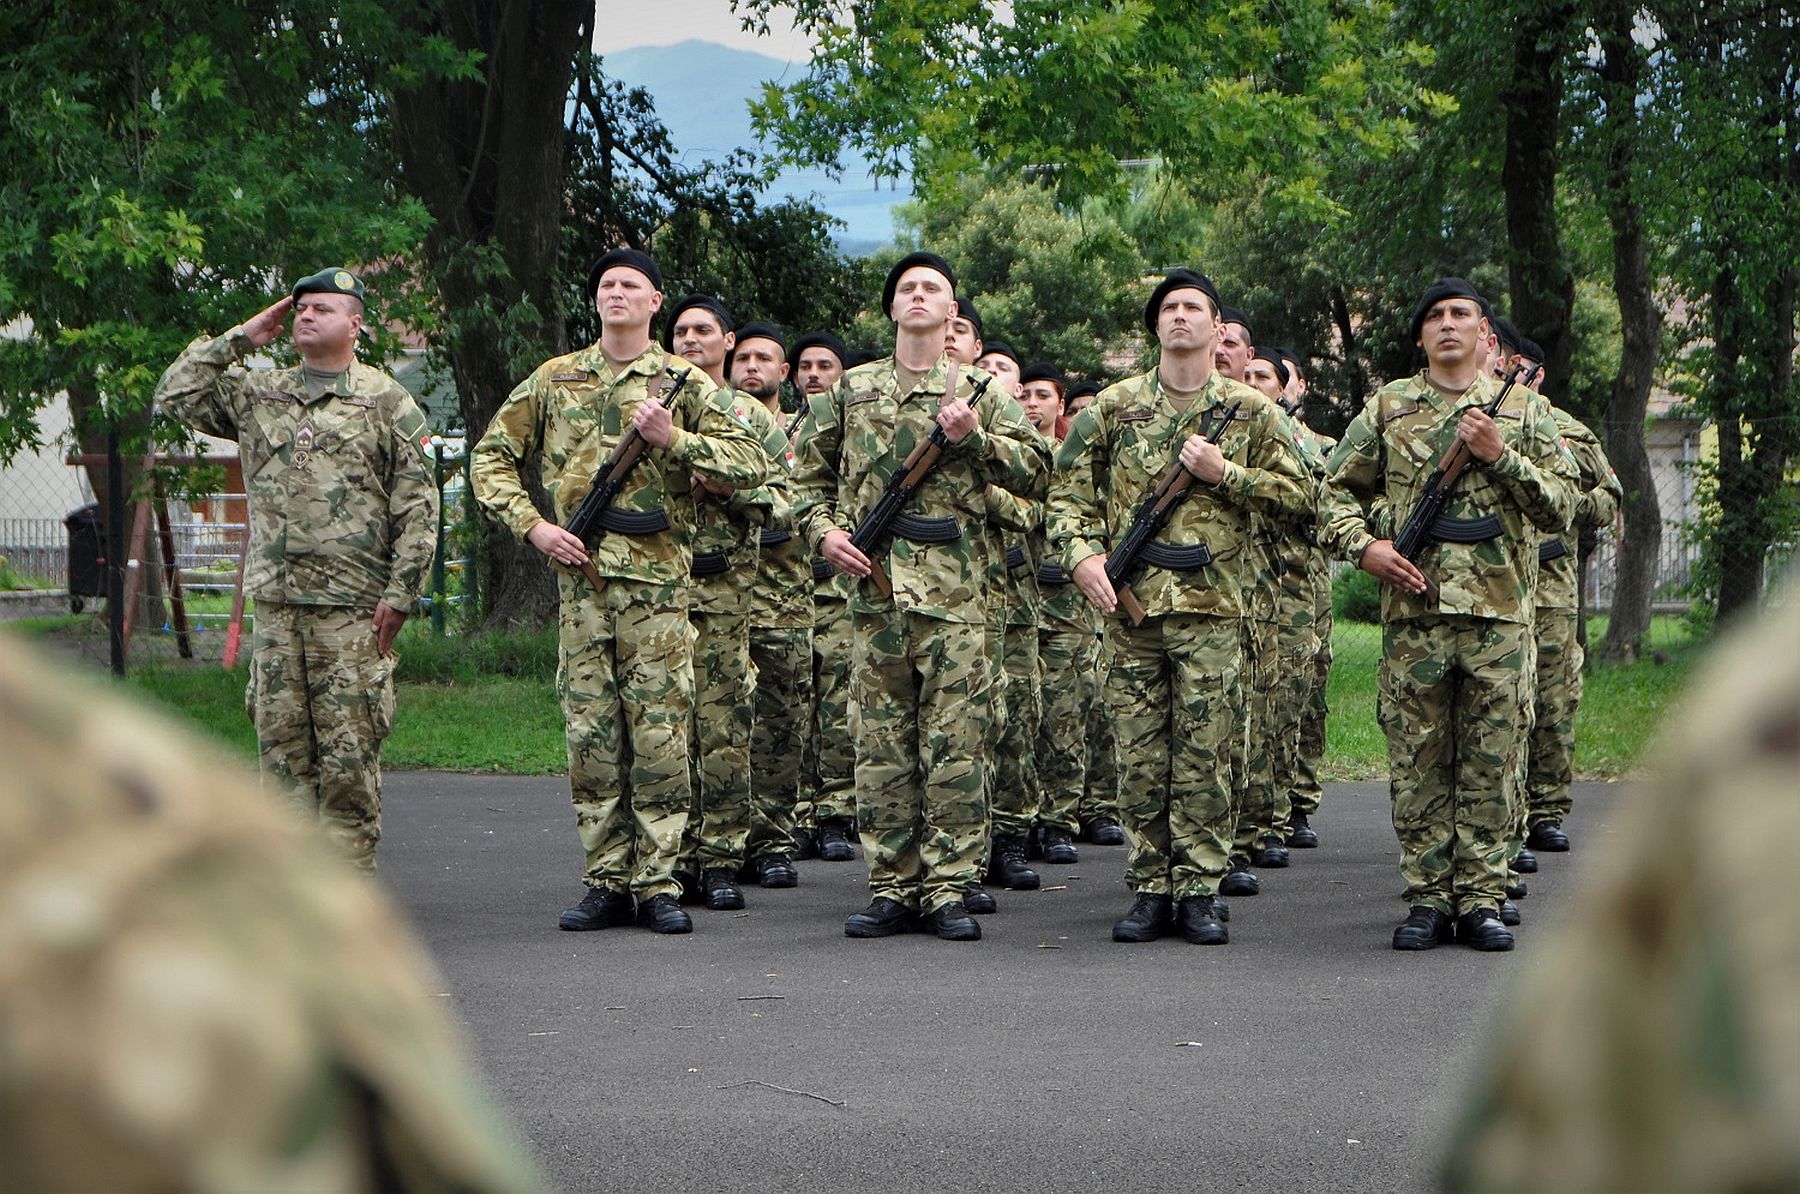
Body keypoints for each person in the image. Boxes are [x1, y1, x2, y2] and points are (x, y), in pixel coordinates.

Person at [0, 636, 537, 1192]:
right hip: (283, 627)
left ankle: (353, 883)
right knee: (283, 773)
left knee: (345, 783)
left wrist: (399, 594)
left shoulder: (156, 830)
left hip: (345, 622)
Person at [1442, 585, 1800, 1192]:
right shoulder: (1766, 692)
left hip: (1507, 605)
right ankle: (1432, 891)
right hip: (1422, 607)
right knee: (1425, 756)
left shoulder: (1768, 692)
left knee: (1503, 749)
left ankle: (1482, 887)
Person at [471, 248, 771, 935]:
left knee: (662, 737)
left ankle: (658, 883)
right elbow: (490, 458)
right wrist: (535, 529)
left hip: (660, 591)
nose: (615, 293)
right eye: (606, 284)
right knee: (592, 736)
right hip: (582, 585)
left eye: (630, 285)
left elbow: (755, 461)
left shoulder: (683, 381)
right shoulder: (555, 378)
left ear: (655, 302)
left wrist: (677, 441)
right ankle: (606, 879)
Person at [1047, 268, 1310, 945]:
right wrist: (1081, 558)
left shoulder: (1252, 412)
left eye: (1194, 307)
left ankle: (1197, 889)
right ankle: (1148, 886)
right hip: (1130, 612)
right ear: (1155, 326)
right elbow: (1065, 496)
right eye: (1169, 307)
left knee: (1208, 754)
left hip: (1216, 612)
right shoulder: (1113, 406)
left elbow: (1305, 501)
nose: (1180, 316)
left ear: (1218, 328)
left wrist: (1230, 476)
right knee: (1138, 755)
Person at [792, 251, 1049, 941]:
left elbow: (1038, 473)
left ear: (951, 313)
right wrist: (824, 534)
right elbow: (803, 481)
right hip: (874, 597)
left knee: (956, 747)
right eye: (906, 288)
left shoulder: (981, 392)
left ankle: (948, 887)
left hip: (959, 599)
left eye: (931, 288)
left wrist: (975, 441)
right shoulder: (850, 391)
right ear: (891, 308)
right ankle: (892, 887)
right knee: (881, 746)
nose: (917, 296)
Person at [153, 267, 439, 873]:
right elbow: (174, 394)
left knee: (347, 761)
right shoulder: (261, 393)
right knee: (280, 759)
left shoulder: (386, 401)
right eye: (300, 307)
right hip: (279, 611)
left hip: (352, 611)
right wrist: (241, 338)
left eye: (323, 308)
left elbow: (419, 506)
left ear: (356, 324)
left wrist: (402, 594)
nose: (307, 315)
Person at [1319, 277, 1575, 952]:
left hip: (1499, 621)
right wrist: (1367, 548)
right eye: (1434, 316)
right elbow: (1332, 497)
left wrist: (1502, 456)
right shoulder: (1389, 407)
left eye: (1461, 313)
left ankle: (1484, 899)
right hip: (1415, 619)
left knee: (1493, 763)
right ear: (1421, 337)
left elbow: (1564, 508)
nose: (1447, 324)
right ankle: (1429, 899)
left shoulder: (1523, 410)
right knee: (1418, 763)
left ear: (1485, 332)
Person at [664, 297, 794, 912]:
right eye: (681, 331)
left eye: (703, 330)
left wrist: (727, 485)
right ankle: (665, 858)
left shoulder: (747, 415)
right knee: (661, 729)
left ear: (727, 340)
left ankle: (718, 856)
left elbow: (789, 504)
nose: (691, 339)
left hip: (723, 593)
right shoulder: (646, 407)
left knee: (722, 725)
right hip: (652, 591)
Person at [731, 321, 819, 889]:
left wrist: (735, 493)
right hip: (713, 597)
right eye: (743, 357)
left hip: (780, 599)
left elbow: (803, 503)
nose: (751, 366)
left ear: (782, 372)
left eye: (764, 358)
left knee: (778, 729)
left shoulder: (795, 434)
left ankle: (770, 841)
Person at [786, 331, 861, 864]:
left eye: (826, 365)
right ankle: (796, 811)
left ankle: (835, 812)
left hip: (838, 586)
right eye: (806, 365)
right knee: (790, 705)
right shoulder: (782, 431)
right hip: (784, 588)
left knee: (836, 703)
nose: (814, 374)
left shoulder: (848, 428)